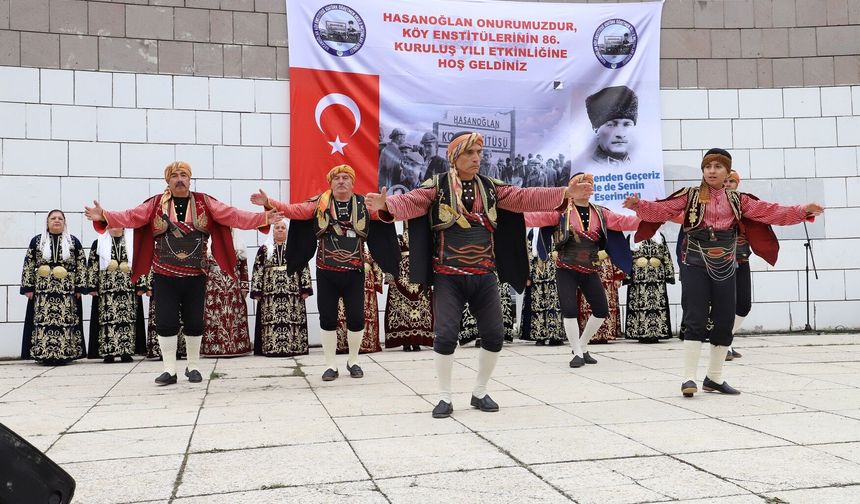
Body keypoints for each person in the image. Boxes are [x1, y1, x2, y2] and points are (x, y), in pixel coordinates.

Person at [366, 130, 591, 418]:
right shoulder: (436, 186)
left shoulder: (492, 188)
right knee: (445, 337)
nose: (476, 159)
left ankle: (480, 391)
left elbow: (525, 197)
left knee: (495, 336)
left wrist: (564, 193)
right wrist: (388, 205)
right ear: (454, 157)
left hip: (485, 275)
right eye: (470, 153)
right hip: (448, 275)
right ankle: (445, 397)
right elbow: (411, 201)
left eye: (479, 153)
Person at [624, 148, 824, 397]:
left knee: (725, 318)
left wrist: (802, 210)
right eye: (708, 166)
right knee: (695, 316)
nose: (712, 171)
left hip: (726, 262)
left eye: (718, 167)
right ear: (703, 171)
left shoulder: (739, 200)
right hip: (694, 261)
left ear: (727, 172)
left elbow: (771, 211)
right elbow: (662, 210)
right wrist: (638, 205)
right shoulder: (689, 196)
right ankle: (688, 378)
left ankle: (714, 378)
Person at [84, 161, 280, 385]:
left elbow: (233, 216)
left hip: (195, 274)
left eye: (184, 175)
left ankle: (193, 366)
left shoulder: (205, 202)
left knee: (194, 322)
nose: (179, 179)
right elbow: (131, 216)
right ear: (167, 180)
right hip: (164, 273)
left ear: (190, 179)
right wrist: (104, 215)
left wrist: (262, 218)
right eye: (175, 175)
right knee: (166, 322)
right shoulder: (155, 203)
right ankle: (169, 370)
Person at [250, 165, 396, 382]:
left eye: (346, 177)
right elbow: (294, 210)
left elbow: (387, 217)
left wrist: (385, 206)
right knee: (328, 319)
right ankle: (330, 365)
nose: (341, 181)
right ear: (330, 182)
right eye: (337, 178)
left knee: (356, 320)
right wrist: (269, 202)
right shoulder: (320, 203)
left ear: (352, 182)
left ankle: (353, 361)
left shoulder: (364, 204)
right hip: (327, 271)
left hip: (354, 271)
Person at [526, 173, 638, 368]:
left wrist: (650, 214)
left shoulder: (601, 213)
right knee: (569, 310)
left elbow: (626, 222)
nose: (586, 187)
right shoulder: (560, 212)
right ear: (572, 189)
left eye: (589, 184)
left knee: (601, 310)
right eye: (581, 184)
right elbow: (533, 217)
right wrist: (506, 215)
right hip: (566, 268)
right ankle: (577, 352)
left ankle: (583, 345)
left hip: (590, 269)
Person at [20, 210, 87, 365]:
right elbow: (29, 265)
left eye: (60, 218)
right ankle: (43, 354)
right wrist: (28, 288)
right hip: (43, 291)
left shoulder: (73, 241)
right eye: (53, 218)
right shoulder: (37, 241)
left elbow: (82, 265)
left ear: (64, 222)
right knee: (43, 322)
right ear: (47, 222)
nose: (57, 220)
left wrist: (80, 288)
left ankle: (66, 354)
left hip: (66, 291)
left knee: (66, 321)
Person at [251, 220, 313, 357]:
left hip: (292, 292)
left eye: (283, 228)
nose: (280, 230)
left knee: (292, 320)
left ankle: (294, 347)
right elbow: (257, 270)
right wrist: (256, 290)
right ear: (272, 231)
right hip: (269, 293)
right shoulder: (264, 249)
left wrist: (305, 288)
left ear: (287, 230)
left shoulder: (296, 248)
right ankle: (270, 348)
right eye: (277, 227)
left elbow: (303, 267)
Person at [87, 228, 148, 362]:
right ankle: (108, 353)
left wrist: (141, 285)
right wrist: (92, 286)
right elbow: (92, 265)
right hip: (106, 289)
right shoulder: (98, 243)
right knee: (108, 320)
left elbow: (139, 264)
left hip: (128, 288)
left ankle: (126, 351)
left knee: (127, 319)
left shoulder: (132, 242)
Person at [201, 229, 252, 357]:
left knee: (235, 316)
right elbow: (202, 268)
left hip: (233, 286)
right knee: (214, 317)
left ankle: (237, 347)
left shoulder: (238, 245)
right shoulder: (207, 245)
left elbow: (243, 267)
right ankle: (214, 348)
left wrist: (245, 287)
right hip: (213, 287)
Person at [384, 228, 434, 352]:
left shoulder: (422, 237)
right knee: (401, 307)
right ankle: (405, 341)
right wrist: (389, 275)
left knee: (420, 306)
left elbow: (429, 254)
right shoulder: (397, 238)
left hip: (419, 272)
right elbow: (389, 255)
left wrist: (430, 275)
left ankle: (418, 340)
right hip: (401, 275)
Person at [623, 234, 675, 343]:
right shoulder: (632, 237)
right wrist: (626, 275)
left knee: (657, 304)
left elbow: (666, 254)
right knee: (640, 303)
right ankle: (641, 334)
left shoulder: (660, 236)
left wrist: (669, 274)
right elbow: (626, 256)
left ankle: (657, 333)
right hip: (639, 277)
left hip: (657, 276)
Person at [519, 231, 565, 345]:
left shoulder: (555, 231)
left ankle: (555, 335)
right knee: (538, 302)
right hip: (536, 270)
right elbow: (527, 253)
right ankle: (540, 336)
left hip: (553, 269)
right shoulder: (531, 233)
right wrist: (527, 274)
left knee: (554, 301)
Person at [336, 251, 383, 354]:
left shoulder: (369, 243)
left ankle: (366, 344)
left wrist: (377, 281)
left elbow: (376, 260)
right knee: (345, 311)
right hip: (345, 276)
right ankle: (344, 344)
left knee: (366, 311)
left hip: (366, 281)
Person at [577, 251, 626, 343]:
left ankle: (606, 334)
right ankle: (590, 335)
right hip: (587, 269)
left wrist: (618, 276)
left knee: (607, 303)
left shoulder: (610, 238)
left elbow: (616, 254)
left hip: (607, 273)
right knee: (589, 303)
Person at [586, 85, 637, 166]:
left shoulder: (639, 164)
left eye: (627, 124)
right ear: (596, 129)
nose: (621, 134)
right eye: (611, 125)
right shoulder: (586, 165)